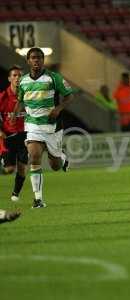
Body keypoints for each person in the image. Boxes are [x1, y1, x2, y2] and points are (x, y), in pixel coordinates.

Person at [14, 47, 74, 208]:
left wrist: (58, 109)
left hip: (52, 127)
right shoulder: (23, 81)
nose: (36, 60)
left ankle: (61, 156)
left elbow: (70, 96)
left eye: (39, 57)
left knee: (55, 166)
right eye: (33, 57)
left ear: (43, 60)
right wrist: (14, 115)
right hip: (33, 125)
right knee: (34, 157)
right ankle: (38, 199)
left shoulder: (53, 78)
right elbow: (20, 100)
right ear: (28, 60)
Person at [0, 65, 28, 202]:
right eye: (14, 75)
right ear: (9, 78)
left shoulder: (28, 96)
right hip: (8, 138)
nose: (17, 78)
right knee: (10, 169)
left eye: (20, 76)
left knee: (22, 168)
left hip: (25, 136)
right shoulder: (3, 97)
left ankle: (15, 194)